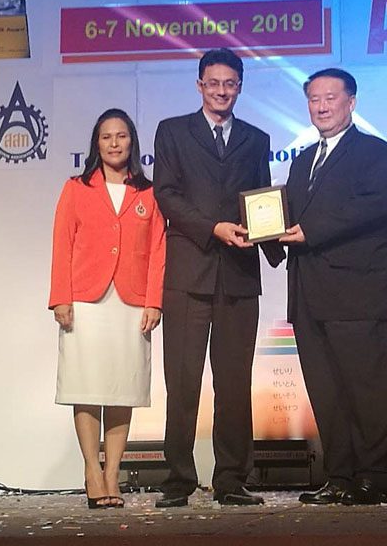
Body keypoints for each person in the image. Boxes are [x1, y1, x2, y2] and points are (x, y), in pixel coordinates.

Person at [152, 48, 284, 507]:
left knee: (233, 385)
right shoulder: (172, 132)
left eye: (229, 83)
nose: (221, 91)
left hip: (239, 277)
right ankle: (178, 480)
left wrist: (277, 240)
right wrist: (213, 228)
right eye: (213, 83)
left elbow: (262, 200)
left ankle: (231, 479)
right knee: (182, 382)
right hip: (189, 273)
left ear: (240, 87)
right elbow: (167, 195)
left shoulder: (256, 138)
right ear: (199, 85)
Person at [280, 68, 387, 506]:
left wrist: (310, 231)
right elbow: (286, 217)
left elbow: (374, 204)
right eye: (314, 99)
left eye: (330, 98)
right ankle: (339, 475)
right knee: (326, 392)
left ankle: (373, 476)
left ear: (351, 102)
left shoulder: (376, 152)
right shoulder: (301, 161)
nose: (322, 106)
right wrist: (263, 234)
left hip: (358, 294)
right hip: (309, 296)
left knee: (366, 390)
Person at [49, 108, 165, 509]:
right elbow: (62, 243)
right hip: (85, 301)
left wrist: (154, 301)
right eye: (106, 137)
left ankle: (113, 473)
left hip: (132, 303)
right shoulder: (76, 188)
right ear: (96, 144)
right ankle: (91, 471)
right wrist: (60, 297)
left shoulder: (148, 193)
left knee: (121, 388)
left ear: (132, 141)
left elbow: (158, 250)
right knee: (86, 387)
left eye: (121, 136)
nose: (114, 143)